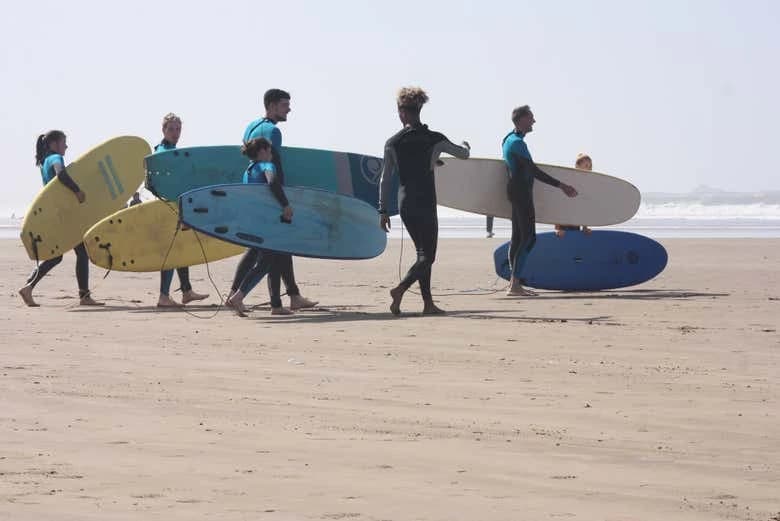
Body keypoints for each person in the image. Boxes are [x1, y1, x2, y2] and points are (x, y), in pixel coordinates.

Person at [378, 87, 470, 315]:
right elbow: (463, 154)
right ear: (419, 110)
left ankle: (428, 304)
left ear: (402, 112)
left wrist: (383, 210)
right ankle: (400, 289)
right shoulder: (434, 139)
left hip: (405, 202)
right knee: (428, 255)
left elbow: (385, 179)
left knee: (422, 253)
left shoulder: (393, 142)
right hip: (426, 202)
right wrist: (466, 144)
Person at [227, 89, 317, 312]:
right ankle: (241, 297)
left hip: (253, 205)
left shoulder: (251, 128)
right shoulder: (273, 132)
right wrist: (285, 201)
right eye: (285, 104)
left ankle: (281, 299)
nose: (289, 109)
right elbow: (273, 171)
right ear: (272, 105)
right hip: (271, 205)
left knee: (267, 251)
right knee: (271, 251)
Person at [18, 131, 103, 307]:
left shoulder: (44, 162)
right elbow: (61, 174)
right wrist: (77, 190)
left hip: (56, 215)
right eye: (64, 142)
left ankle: (30, 285)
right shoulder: (55, 157)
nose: (66, 146)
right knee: (78, 253)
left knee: (61, 256)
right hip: (65, 216)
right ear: (54, 144)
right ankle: (83, 296)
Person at [502, 105, 578, 297]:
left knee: (518, 238)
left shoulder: (508, 139)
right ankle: (515, 285)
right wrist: (561, 186)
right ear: (521, 120)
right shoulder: (518, 143)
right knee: (529, 238)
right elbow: (533, 171)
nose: (534, 121)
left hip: (515, 192)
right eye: (531, 118)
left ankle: (513, 283)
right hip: (521, 194)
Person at [225, 138, 293, 316]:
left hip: (252, 222)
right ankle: (239, 295)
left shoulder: (248, 171)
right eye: (269, 151)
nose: (271, 155)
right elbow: (272, 182)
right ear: (262, 151)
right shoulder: (265, 166)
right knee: (266, 263)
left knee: (271, 259)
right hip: (266, 224)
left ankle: (276, 305)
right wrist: (285, 205)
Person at [153, 113, 209, 307]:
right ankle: (163, 296)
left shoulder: (173, 151)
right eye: (171, 129)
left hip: (177, 205)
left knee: (180, 247)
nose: (176, 133)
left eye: (178, 129)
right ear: (163, 130)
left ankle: (186, 291)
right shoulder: (162, 151)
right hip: (169, 206)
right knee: (172, 250)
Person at [554, 152, 593, 238]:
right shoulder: (569, 180)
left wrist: (585, 227)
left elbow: (583, 207)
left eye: (590, 166)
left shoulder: (587, 186)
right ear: (577, 166)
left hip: (576, 223)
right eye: (586, 165)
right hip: (563, 223)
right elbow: (560, 203)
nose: (589, 168)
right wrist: (558, 228)